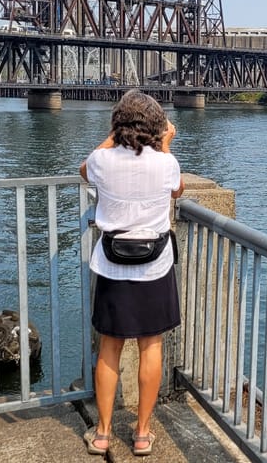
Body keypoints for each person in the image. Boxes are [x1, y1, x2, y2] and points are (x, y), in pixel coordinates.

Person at [79, 89, 185, 457]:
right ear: (157, 127)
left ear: (118, 124)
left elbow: (84, 170)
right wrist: (165, 143)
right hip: (154, 263)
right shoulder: (165, 162)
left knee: (110, 346)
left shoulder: (101, 160)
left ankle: (104, 433)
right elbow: (177, 190)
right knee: (150, 345)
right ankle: (142, 433)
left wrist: (116, 134)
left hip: (112, 262)